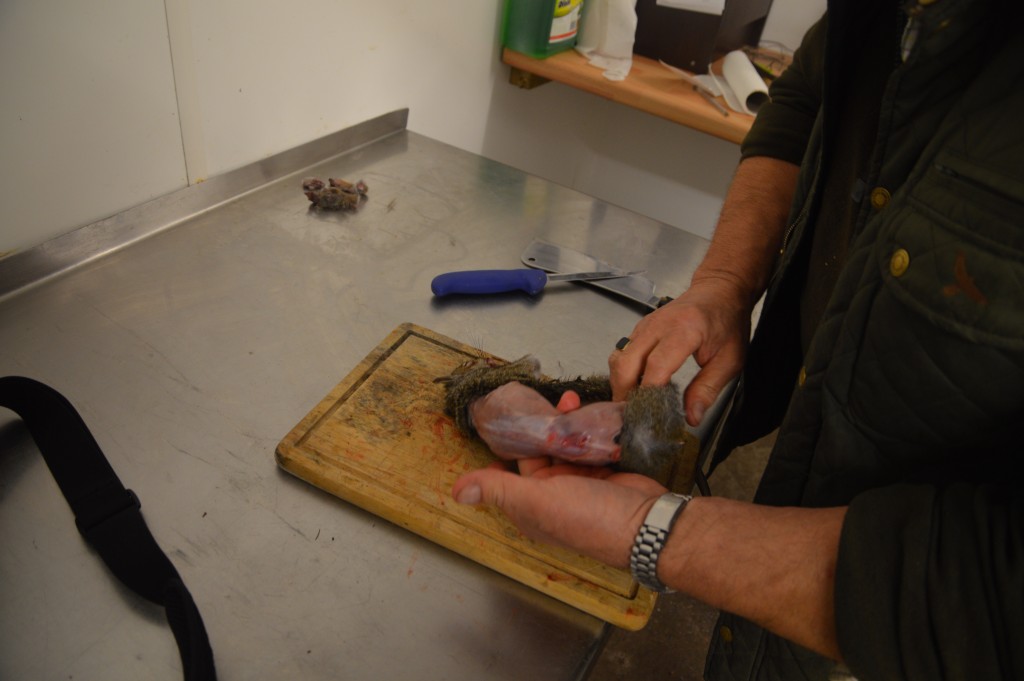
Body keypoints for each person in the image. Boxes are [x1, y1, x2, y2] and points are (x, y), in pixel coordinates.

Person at [453, 0, 1024, 678]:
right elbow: (808, 99)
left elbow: (994, 600)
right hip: (793, 492)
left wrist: (663, 535)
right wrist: (723, 283)